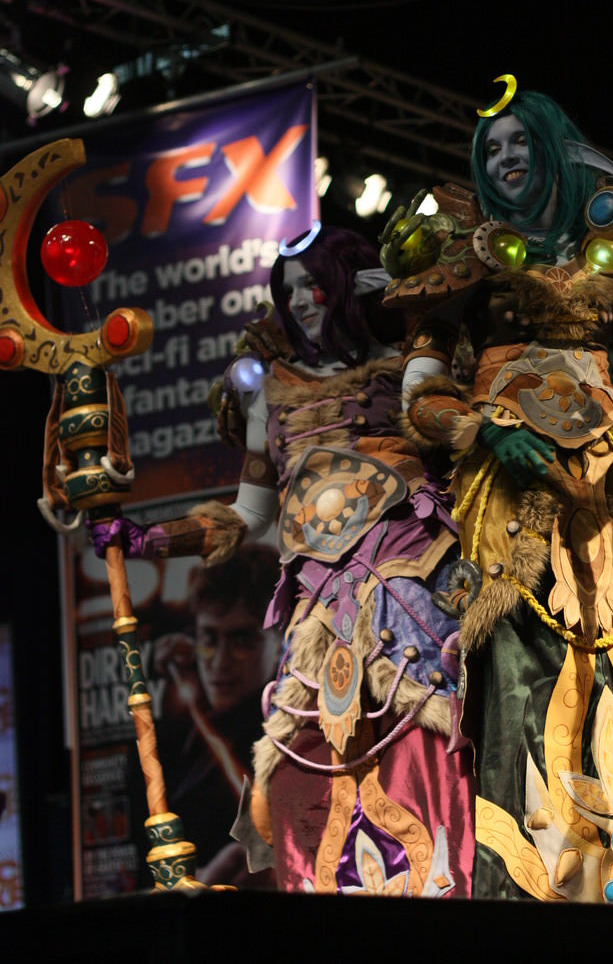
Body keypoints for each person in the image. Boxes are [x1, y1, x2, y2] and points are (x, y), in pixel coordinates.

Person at [380, 82, 613, 905]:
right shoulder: (462, 256)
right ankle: (534, 883)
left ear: (550, 145)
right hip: (509, 493)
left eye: (519, 143)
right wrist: (482, 431)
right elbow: (420, 396)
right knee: (521, 657)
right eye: (492, 150)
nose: (507, 159)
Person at [93, 224, 475, 897]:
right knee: (302, 763)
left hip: (406, 572)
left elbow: (456, 431)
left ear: (349, 282)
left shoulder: (408, 363)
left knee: (428, 735)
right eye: (289, 289)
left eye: (314, 284)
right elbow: (247, 516)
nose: (300, 301)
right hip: (318, 600)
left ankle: (451, 891)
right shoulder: (269, 393)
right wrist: (148, 539)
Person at [127, 547, 280, 889]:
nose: (221, 662)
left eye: (242, 640)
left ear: (278, 640)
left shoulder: (294, 737)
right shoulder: (172, 740)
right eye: (210, 638)